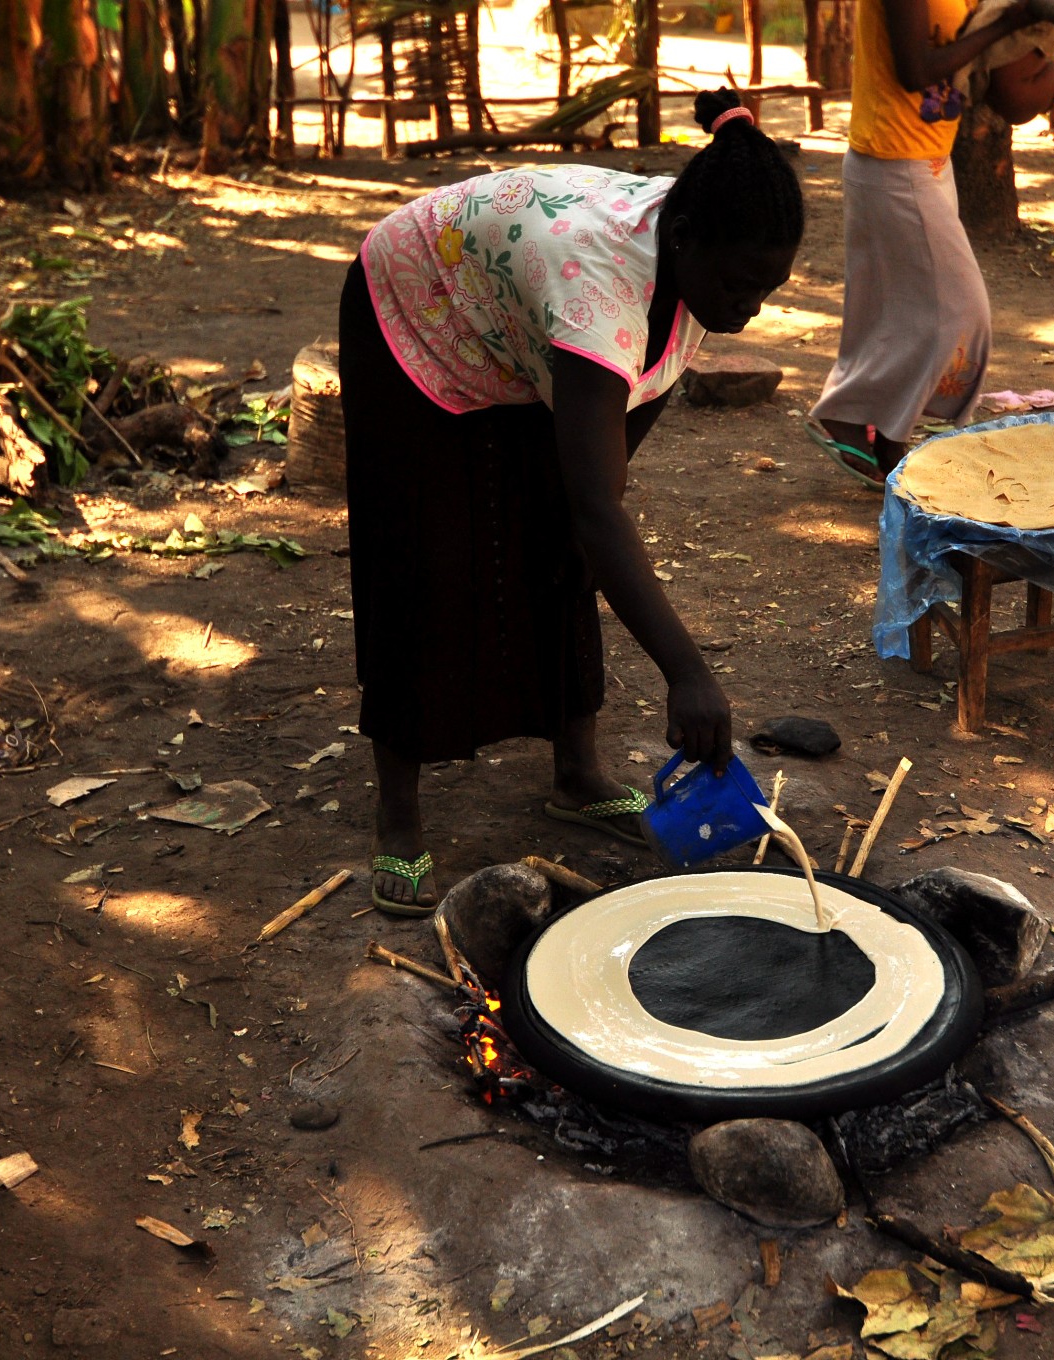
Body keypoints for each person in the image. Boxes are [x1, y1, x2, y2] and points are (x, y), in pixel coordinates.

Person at [340, 91, 805, 915]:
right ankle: (399, 815)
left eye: (767, 290)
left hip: (511, 324)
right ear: (688, 241)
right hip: (413, 303)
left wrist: (582, 522)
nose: (750, 309)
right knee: (424, 561)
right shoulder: (600, 288)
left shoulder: (701, 263)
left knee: (558, 545)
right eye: (741, 287)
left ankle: (577, 774)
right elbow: (600, 507)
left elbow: (616, 447)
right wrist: (687, 676)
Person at [808, 0, 1054, 489]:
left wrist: (1052, 72)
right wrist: (1010, 22)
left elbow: (985, 72)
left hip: (926, 159)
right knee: (961, 311)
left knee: (891, 308)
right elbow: (915, 70)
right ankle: (850, 418)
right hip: (893, 162)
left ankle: (885, 434)